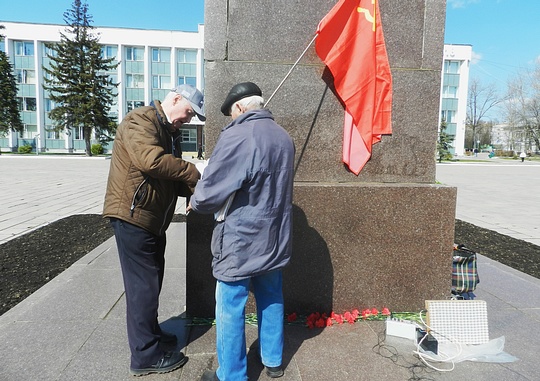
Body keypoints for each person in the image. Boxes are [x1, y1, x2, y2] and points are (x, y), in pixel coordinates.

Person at [187, 82, 295, 381]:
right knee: (271, 295)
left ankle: (232, 375)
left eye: (230, 114)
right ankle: (273, 360)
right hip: (275, 235)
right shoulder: (284, 137)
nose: (230, 120)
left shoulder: (237, 135)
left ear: (239, 108)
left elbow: (210, 193)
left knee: (230, 306)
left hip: (240, 238)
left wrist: (195, 201)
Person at [103, 84, 205, 376]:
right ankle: (145, 356)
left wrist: (194, 192)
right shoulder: (142, 120)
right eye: (187, 114)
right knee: (142, 288)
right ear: (174, 99)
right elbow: (151, 161)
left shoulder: (169, 133)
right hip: (133, 217)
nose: (186, 121)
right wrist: (194, 173)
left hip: (151, 220)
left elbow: (173, 175)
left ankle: (151, 335)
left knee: (151, 283)